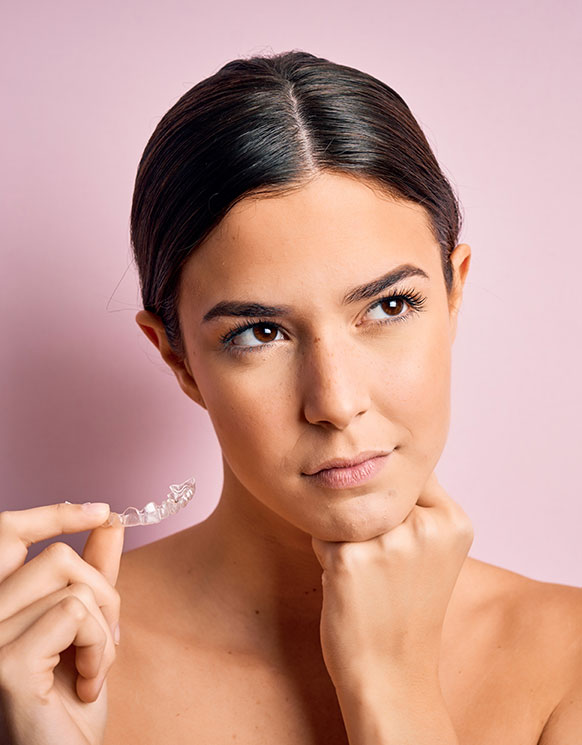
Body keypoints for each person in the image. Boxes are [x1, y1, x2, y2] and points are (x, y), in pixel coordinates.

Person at [1, 50, 580, 745]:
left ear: (454, 294)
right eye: (261, 331)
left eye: (391, 305)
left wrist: (391, 689)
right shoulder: (44, 669)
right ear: (176, 356)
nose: (335, 401)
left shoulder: (566, 666)